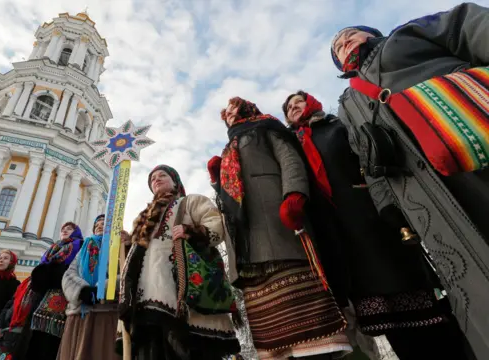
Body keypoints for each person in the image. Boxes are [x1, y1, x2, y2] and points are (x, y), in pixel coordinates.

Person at [330, 4, 489, 357]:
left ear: (371, 33)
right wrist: (389, 206)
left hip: (474, 133)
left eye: (348, 34)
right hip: (420, 190)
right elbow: (365, 158)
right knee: (468, 273)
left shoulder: (407, 35)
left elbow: (469, 26)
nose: (343, 41)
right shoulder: (347, 104)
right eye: (337, 46)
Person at [283, 90, 465, 359]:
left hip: (371, 217)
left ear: (311, 103)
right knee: (385, 314)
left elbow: (366, 156)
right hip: (340, 236)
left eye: (299, 101)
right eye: (288, 108)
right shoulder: (291, 147)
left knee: (415, 295)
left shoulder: (336, 126)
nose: (295, 108)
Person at [207, 97, 351, 359]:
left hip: (277, 220)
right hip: (247, 240)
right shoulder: (231, 146)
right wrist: (217, 183)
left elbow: (290, 160)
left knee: (308, 319)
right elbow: (233, 195)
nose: (227, 114)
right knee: (273, 335)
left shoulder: (267, 128)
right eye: (224, 112)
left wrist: (294, 194)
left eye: (232, 108)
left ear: (246, 107)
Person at [119, 165, 239, 360]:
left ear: (175, 181)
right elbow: (133, 260)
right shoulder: (141, 220)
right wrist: (126, 244)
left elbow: (215, 225)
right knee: (151, 349)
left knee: (186, 350)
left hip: (182, 296)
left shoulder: (190, 202)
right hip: (146, 297)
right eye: (152, 179)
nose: (156, 179)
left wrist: (190, 230)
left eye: (162, 176)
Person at [0, 223, 83, 360]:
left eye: (69, 229)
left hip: (58, 308)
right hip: (35, 310)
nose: (64, 230)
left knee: (47, 347)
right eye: (63, 228)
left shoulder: (78, 248)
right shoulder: (52, 251)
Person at [58, 214, 122, 360]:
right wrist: (82, 290)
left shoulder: (119, 246)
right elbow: (69, 274)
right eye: (97, 224)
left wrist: (102, 288)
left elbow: (124, 272)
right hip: (79, 313)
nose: (99, 225)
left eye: (104, 223)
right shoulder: (84, 249)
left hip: (106, 313)